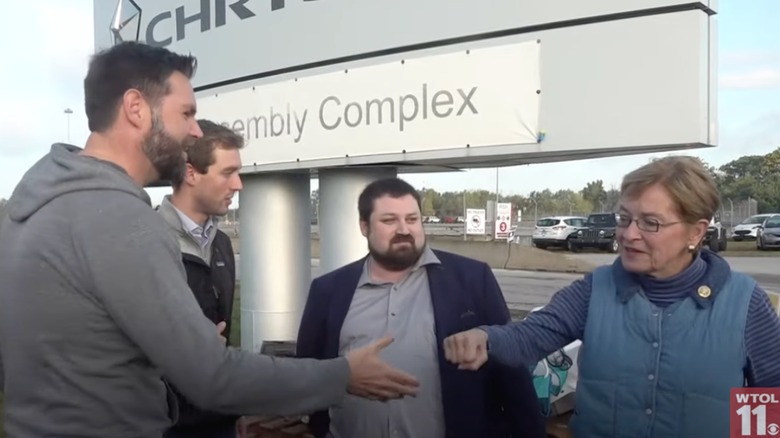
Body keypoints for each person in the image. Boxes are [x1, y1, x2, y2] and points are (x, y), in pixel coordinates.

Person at [0, 41, 418, 438]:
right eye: (185, 113)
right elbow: (212, 377)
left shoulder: (33, 205)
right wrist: (343, 374)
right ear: (136, 109)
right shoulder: (120, 219)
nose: (196, 131)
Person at [442, 156, 780, 438]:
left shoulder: (746, 303)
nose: (628, 234)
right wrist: (486, 338)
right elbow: (532, 335)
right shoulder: (595, 289)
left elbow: (769, 398)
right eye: (625, 218)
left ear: (696, 232)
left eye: (650, 223)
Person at [296, 177, 546, 438]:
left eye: (412, 219)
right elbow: (308, 374)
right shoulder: (327, 291)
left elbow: (510, 369)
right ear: (364, 226)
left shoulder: (472, 279)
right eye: (389, 220)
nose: (404, 229)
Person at [158, 119, 244, 438]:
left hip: (219, 420)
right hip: (167, 426)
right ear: (191, 173)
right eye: (227, 173)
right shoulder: (147, 242)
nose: (238, 185)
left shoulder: (221, 244)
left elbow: (224, 336)